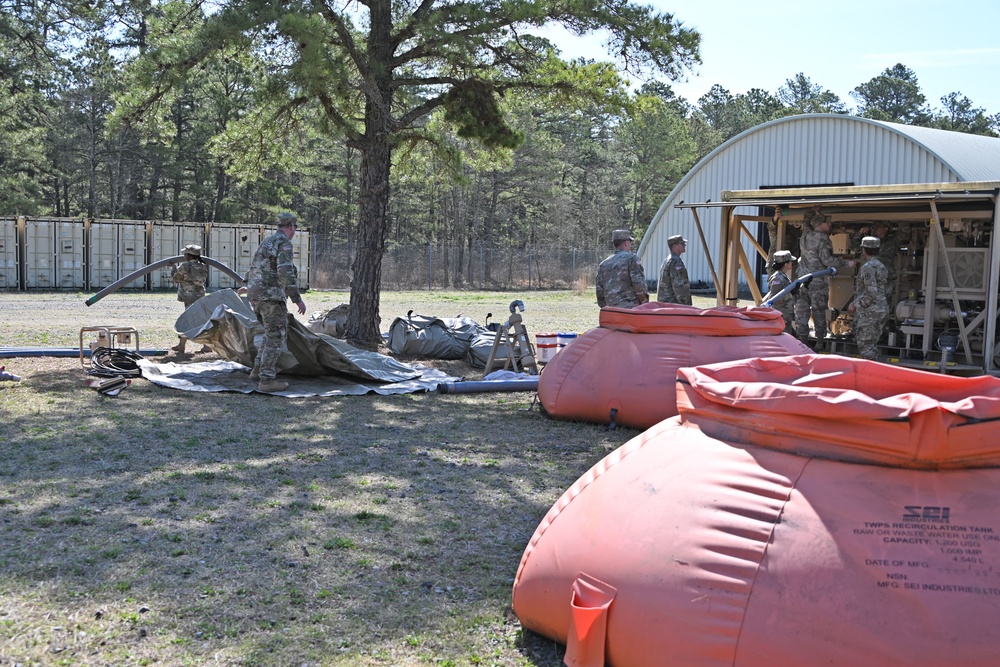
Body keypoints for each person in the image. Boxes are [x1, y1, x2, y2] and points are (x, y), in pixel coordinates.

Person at [245, 212, 307, 393]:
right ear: (292, 227)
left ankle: (257, 370)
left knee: (269, 333)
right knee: (276, 336)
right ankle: (266, 380)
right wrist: (296, 298)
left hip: (256, 295)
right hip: (271, 296)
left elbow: (255, 266)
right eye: (294, 228)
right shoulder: (284, 243)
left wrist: (247, 285)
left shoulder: (267, 241)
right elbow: (285, 271)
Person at [793, 208, 855, 350]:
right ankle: (820, 342)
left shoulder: (805, 236)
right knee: (819, 312)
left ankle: (802, 340)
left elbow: (805, 223)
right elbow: (827, 260)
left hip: (802, 281)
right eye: (827, 223)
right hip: (818, 283)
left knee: (802, 311)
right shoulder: (823, 239)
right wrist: (847, 263)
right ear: (821, 225)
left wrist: (812, 211)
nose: (830, 225)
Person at [848, 236, 889, 360]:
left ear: (864, 250)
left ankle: (871, 376)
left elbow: (871, 292)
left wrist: (855, 304)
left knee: (866, 347)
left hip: (870, 312)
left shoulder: (868, 267)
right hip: (880, 309)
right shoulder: (881, 266)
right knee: (871, 345)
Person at [170, 244, 211, 354]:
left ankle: (182, 345)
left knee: (187, 319)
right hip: (200, 296)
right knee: (201, 319)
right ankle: (206, 345)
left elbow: (176, 278)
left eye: (185, 254)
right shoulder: (202, 266)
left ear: (189, 256)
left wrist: (173, 268)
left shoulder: (185, 266)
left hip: (188, 296)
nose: (183, 255)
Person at [596, 229, 649, 309]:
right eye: (630, 242)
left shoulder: (604, 264)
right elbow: (639, 285)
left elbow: (599, 291)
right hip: (630, 310)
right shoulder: (631, 259)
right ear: (626, 243)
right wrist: (645, 303)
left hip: (611, 311)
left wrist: (606, 307)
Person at [762, 250, 796, 334]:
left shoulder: (783, 276)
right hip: (781, 315)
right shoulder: (777, 278)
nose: (792, 263)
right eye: (790, 261)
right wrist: (791, 293)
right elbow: (775, 298)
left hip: (785, 315)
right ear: (786, 264)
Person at [657, 235, 691, 304]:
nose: (684, 245)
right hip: (673, 305)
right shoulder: (676, 262)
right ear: (675, 246)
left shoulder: (667, 260)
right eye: (682, 243)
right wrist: (685, 304)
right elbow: (679, 286)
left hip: (665, 303)